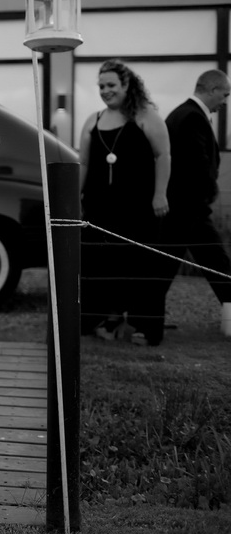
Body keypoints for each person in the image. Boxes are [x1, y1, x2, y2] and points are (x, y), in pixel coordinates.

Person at [78, 59, 170, 345]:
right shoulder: (93, 120)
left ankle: (144, 327)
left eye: (111, 85)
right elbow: (83, 163)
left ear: (127, 85)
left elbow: (163, 156)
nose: (106, 91)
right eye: (102, 86)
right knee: (99, 267)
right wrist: (76, 198)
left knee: (140, 267)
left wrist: (160, 193)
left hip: (138, 210)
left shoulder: (146, 116)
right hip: (98, 210)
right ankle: (103, 321)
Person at [157, 69, 231, 325]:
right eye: (225, 94)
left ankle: (144, 320)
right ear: (212, 90)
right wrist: (210, 193)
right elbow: (197, 165)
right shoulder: (192, 118)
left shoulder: (183, 114)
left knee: (164, 267)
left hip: (181, 208)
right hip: (190, 209)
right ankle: (143, 321)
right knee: (217, 262)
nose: (225, 101)